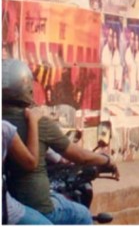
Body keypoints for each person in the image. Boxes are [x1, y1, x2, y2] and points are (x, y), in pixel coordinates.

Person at [2, 58, 119, 225]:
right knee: (83, 215)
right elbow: (79, 156)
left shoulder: (5, 124)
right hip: (36, 206)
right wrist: (107, 160)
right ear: (27, 88)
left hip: (9, 203)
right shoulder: (36, 120)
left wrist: (58, 159)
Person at [3, 105, 51, 225]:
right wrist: (33, 120)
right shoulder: (4, 129)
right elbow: (30, 163)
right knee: (81, 215)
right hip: (7, 212)